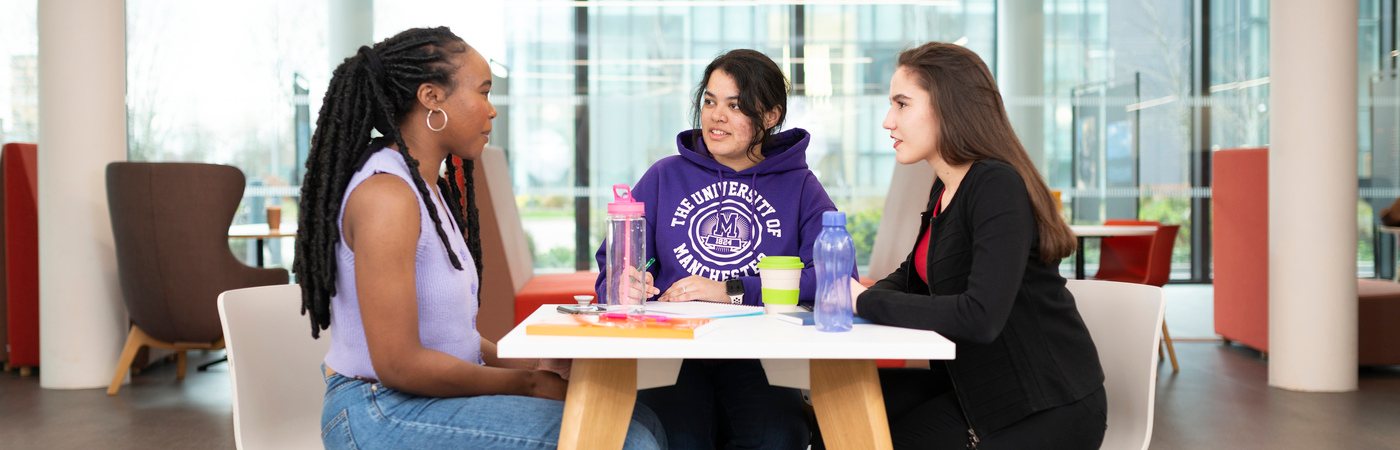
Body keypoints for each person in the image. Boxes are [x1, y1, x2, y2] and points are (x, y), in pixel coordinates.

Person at [295, 27, 664, 450]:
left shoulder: (426, 189)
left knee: (638, 418)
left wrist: (537, 363)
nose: (492, 111)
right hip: (381, 410)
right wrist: (526, 384)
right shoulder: (386, 196)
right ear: (432, 98)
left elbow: (456, 340)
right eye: (483, 92)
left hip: (421, 399)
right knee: (627, 440)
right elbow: (398, 364)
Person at [849, 42, 1107, 449]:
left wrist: (863, 302)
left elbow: (979, 317)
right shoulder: (946, 186)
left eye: (902, 105)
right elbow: (911, 277)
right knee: (844, 415)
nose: (888, 121)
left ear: (948, 105)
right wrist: (859, 296)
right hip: (971, 383)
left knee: (872, 438)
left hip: (1043, 403)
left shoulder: (995, 184)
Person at [593, 49, 838, 449]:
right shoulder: (664, 175)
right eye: (709, 101)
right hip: (672, 354)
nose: (716, 116)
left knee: (778, 437)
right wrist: (622, 285)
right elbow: (613, 267)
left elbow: (834, 277)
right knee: (674, 438)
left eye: (735, 105)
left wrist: (731, 290)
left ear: (772, 115)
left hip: (759, 356)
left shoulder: (799, 185)